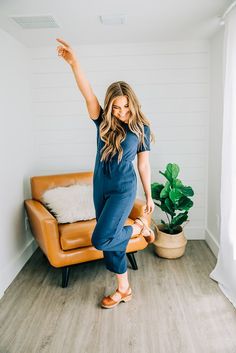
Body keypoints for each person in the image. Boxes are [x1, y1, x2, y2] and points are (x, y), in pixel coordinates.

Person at [56, 38, 156, 309]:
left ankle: (139, 227)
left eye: (126, 106)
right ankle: (123, 289)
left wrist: (148, 196)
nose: (122, 112)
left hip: (124, 188)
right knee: (112, 241)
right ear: (110, 106)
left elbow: (143, 165)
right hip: (101, 186)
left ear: (132, 104)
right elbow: (87, 93)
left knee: (101, 238)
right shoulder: (102, 122)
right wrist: (74, 63)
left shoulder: (141, 129)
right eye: (117, 107)